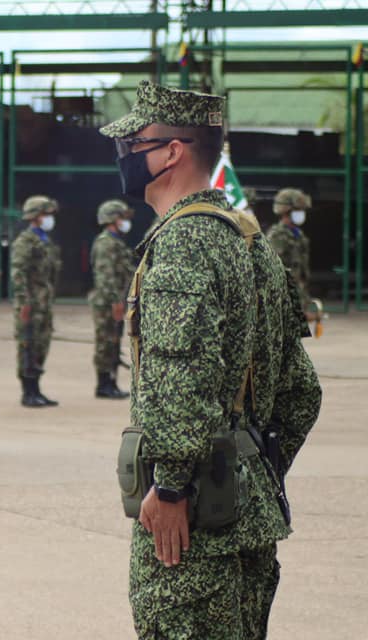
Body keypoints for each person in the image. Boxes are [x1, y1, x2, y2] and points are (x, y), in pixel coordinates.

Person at [100, 80, 319, 638]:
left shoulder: (184, 242)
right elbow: (301, 391)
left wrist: (173, 487)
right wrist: (250, 470)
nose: (125, 157)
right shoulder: (249, 238)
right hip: (247, 512)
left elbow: (179, 377)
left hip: (195, 522)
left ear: (172, 151)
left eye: (135, 144)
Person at [9, 195, 62, 408]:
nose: (49, 218)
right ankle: (28, 391)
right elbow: (18, 272)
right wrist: (23, 302)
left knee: (41, 344)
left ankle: (37, 388)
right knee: (27, 345)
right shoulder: (25, 242)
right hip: (30, 303)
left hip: (43, 303)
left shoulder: (45, 241)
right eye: (45, 214)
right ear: (35, 216)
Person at [88, 199, 134, 399]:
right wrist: (116, 301)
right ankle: (104, 384)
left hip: (115, 300)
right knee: (105, 341)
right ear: (114, 219)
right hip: (107, 302)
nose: (125, 221)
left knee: (113, 340)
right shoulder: (106, 243)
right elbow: (105, 276)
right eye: (122, 217)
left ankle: (111, 382)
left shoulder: (115, 242)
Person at [267, 187, 312, 312]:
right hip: (284, 301)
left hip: (298, 297)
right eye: (298, 210)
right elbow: (272, 272)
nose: (302, 213)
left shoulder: (299, 235)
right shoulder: (277, 236)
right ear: (286, 211)